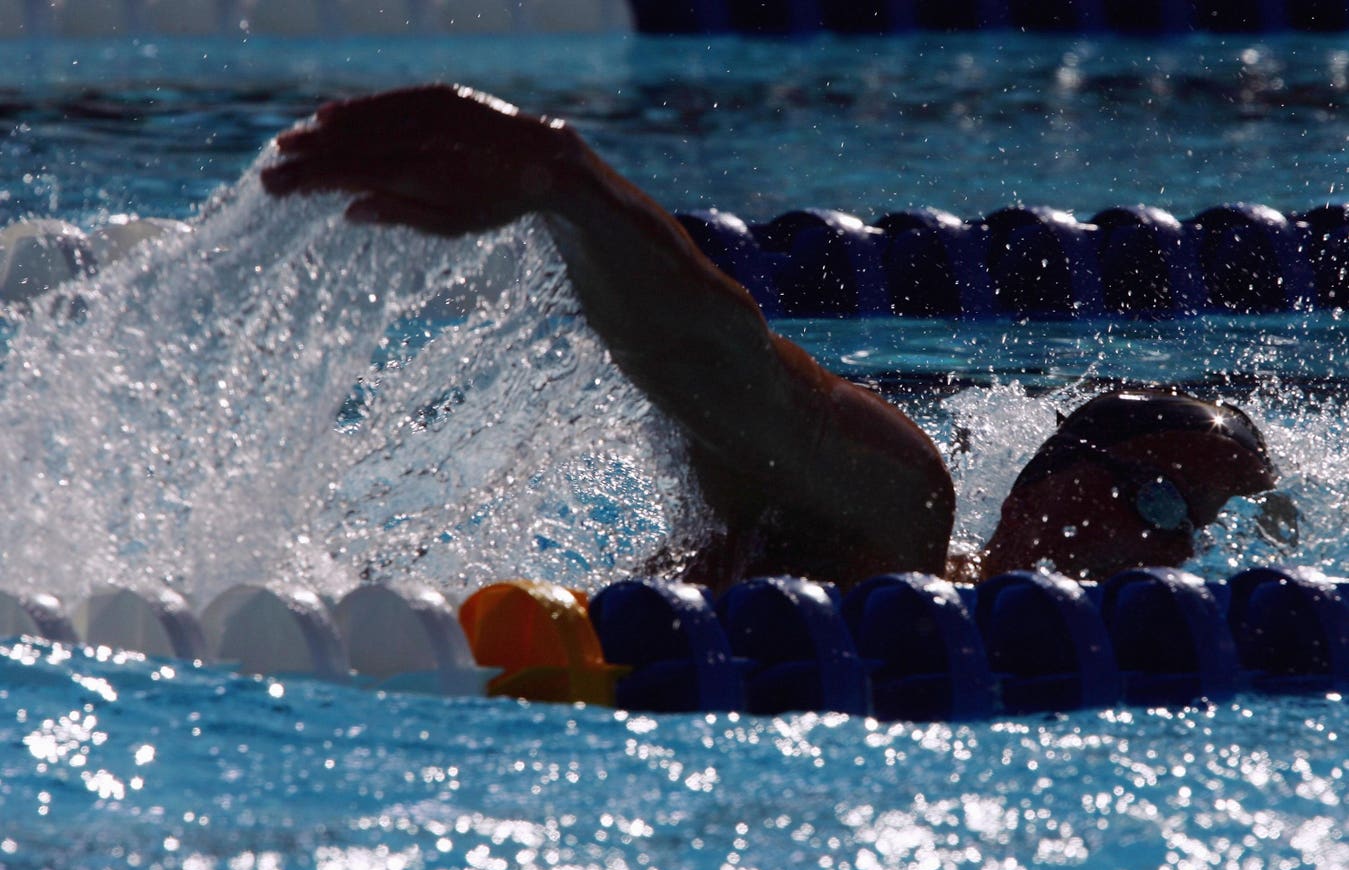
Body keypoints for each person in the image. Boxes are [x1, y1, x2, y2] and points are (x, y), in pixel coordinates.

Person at [261, 85, 1278, 588]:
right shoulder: (894, 512)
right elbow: (722, 370)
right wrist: (564, 184)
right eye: (1158, 499)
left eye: (1198, 526)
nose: (1175, 550)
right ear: (1052, 484)